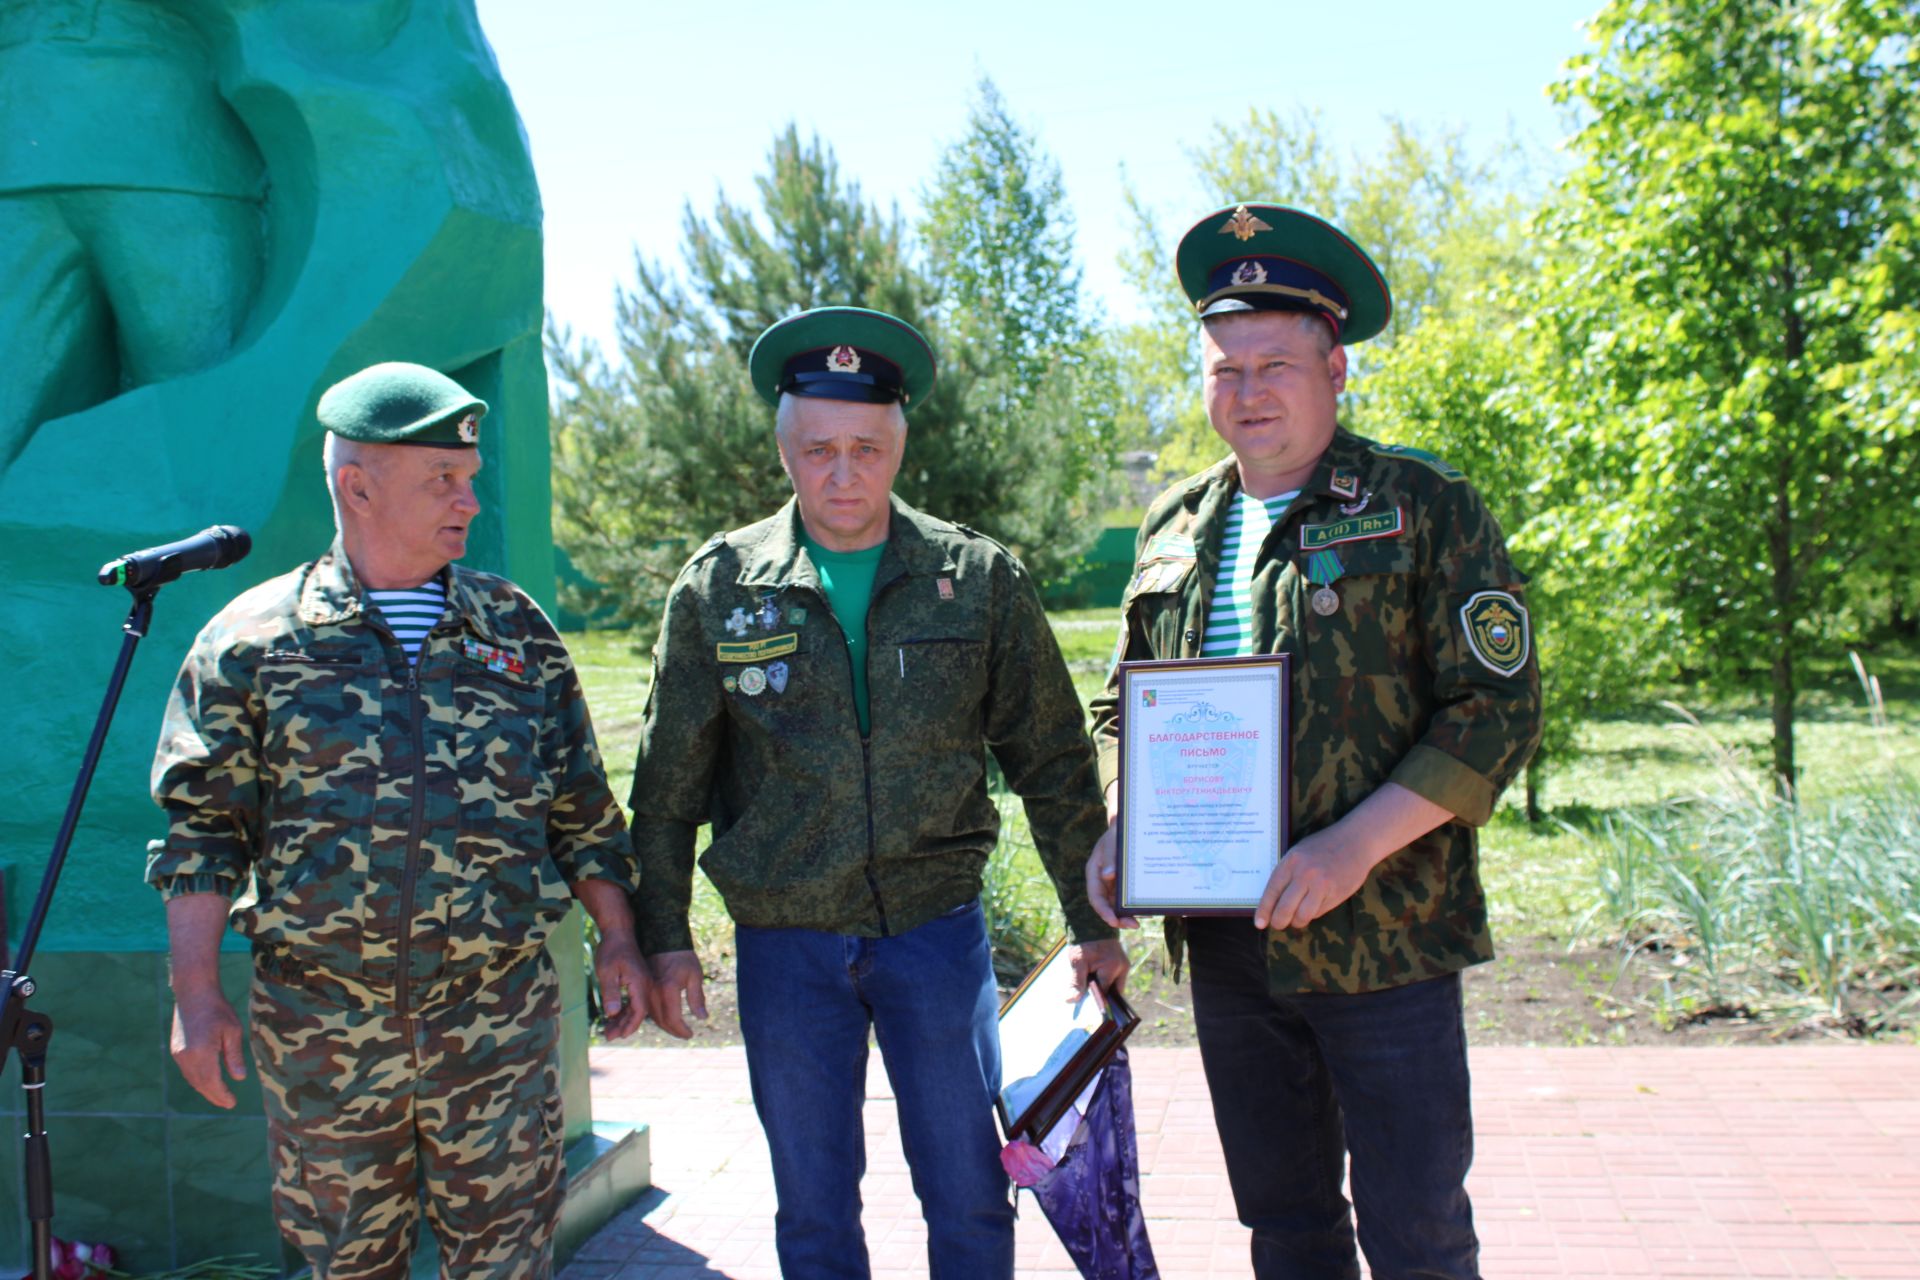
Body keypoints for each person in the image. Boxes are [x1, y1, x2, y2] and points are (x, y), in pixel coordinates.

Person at [1085, 204, 1543, 1279]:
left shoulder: (1420, 503)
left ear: (1336, 368)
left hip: (1384, 932)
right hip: (1227, 939)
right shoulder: (1173, 524)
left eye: (1275, 364)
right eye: (1224, 367)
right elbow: (1124, 704)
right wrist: (1121, 818)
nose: (1247, 392)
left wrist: (1353, 846)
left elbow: (1496, 705)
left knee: (1418, 1226)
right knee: (1285, 1223)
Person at [628, 306, 1129, 1280]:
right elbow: (666, 782)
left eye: (865, 446)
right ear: (784, 448)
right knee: (813, 1209)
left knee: (970, 1194)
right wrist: (663, 933)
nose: (843, 473)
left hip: (935, 937)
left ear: (899, 442)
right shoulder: (720, 587)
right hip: (787, 946)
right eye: (819, 449)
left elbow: (1055, 759)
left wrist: (1092, 917)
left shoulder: (974, 577)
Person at [147, 361, 650, 1280]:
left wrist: (618, 937)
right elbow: (202, 837)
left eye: (468, 477)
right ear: (357, 486)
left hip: (495, 1023)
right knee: (348, 1267)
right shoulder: (256, 642)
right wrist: (195, 997)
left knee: (506, 1265)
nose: (469, 498)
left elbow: (581, 802)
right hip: (325, 1033)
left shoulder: (514, 631)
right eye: (442, 481)